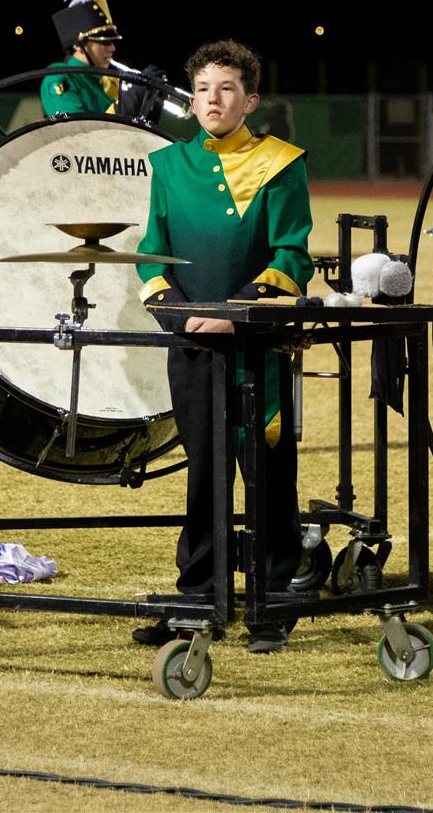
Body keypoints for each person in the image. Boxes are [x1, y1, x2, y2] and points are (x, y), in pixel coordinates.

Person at [134, 39, 314, 653]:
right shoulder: (168, 166)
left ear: (250, 99)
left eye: (227, 88)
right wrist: (180, 318)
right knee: (203, 473)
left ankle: (273, 598)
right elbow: (151, 258)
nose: (213, 99)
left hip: (256, 349)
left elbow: (293, 255)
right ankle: (198, 595)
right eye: (204, 88)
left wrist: (235, 316)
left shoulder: (282, 163)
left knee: (265, 472)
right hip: (190, 349)